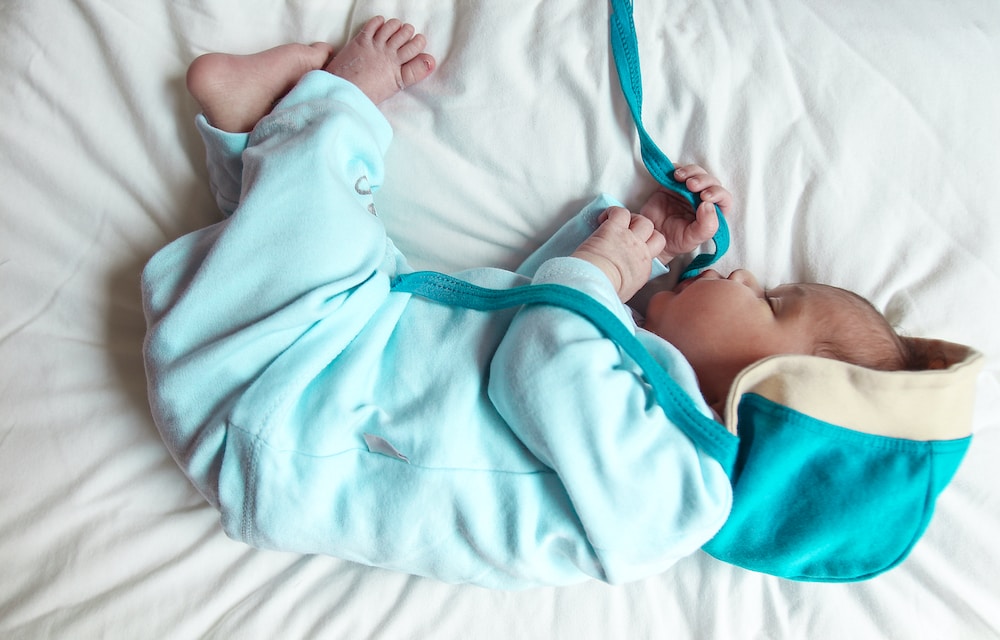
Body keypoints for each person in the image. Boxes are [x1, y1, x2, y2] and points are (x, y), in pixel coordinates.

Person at [143, 16, 980, 588]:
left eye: (772, 302)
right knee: (310, 246)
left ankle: (334, 106)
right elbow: (528, 318)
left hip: (285, 415)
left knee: (319, 244)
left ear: (762, 392)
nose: (749, 275)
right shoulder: (648, 413)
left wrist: (608, 273)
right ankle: (258, 131)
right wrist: (644, 243)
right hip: (314, 371)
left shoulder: (674, 498)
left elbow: (538, 362)